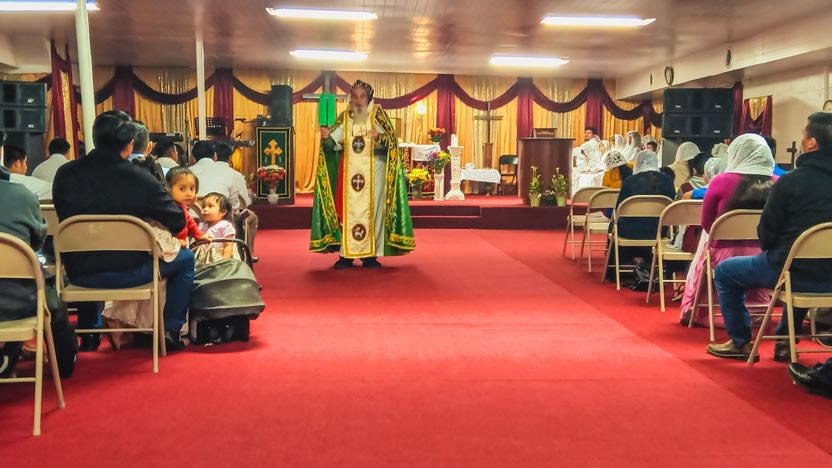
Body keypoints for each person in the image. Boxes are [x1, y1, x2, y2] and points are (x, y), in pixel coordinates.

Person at [52, 110, 194, 351]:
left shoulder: (65, 174)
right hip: (130, 271)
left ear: (94, 138)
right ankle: (170, 330)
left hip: (78, 274)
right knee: (186, 259)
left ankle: (90, 332)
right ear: (129, 146)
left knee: (86, 244)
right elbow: (179, 221)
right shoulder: (140, 178)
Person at [707, 115, 832, 361]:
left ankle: (740, 342)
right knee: (801, 264)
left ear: (812, 143)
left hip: (790, 270)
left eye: (804, 134)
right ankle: (785, 341)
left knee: (725, 272)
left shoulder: (790, 182)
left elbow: (767, 233)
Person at [311, 80, 415, 269]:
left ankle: (370, 256)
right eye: (355, 97)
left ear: (369, 99)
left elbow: (392, 145)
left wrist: (379, 137)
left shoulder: (378, 115)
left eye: (362, 97)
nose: (358, 101)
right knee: (349, 213)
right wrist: (326, 139)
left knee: (373, 215)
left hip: (375, 176)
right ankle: (346, 256)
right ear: (350, 99)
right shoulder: (344, 118)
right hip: (350, 177)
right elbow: (334, 145)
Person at [679, 134, 776, 327]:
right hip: (766, 253)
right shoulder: (779, 182)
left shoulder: (721, 181)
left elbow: (707, 224)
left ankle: (700, 310)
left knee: (706, 250)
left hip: (725, 253)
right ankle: (758, 310)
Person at [606, 150, 675, 277]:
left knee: (613, 224)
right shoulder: (668, 181)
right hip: (659, 231)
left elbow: (619, 209)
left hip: (630, 232)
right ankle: (650, 261)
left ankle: (615, 269)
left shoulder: (630, 181)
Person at [214, 143, 258, 258]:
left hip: (203, 212)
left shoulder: (204, 172)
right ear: (230, 157)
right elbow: (245, 202)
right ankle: (247, 254)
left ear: (215, 156)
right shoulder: (236, 175)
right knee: (252, 218)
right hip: (231, 216)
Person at [165, 167, 209, 248]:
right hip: (170, 247)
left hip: (182, 244)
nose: (189, 193)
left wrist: (198, 234)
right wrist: (176, 240)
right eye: (182, 189)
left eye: (191, 188)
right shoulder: (167, 208)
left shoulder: (181, 206)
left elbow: (189, 221)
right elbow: (164, 230)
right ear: (168, 188)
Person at [196, 192, 237, 263]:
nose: (205, 209)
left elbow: (228, 245)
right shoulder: (202, 225)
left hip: (219, 258)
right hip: (203, 257)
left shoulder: (225, 225)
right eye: (203, 207)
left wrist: (224, 262)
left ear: (223, 212)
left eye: (210, 206)